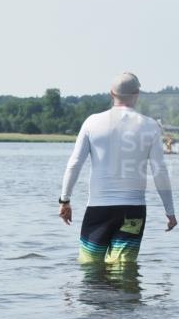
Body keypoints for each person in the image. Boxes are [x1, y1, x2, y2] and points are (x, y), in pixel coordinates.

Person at [59, 72, 175, 265]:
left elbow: (74, 164)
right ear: (137, 93)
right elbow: (159, 171)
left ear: (111, 93)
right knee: (123, 268)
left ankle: (93, 295)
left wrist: (65, 200)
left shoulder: (92, 122)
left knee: (90, 266)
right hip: (133, 210)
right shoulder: (150, 126)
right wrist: (170, 212)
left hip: (98, 209)